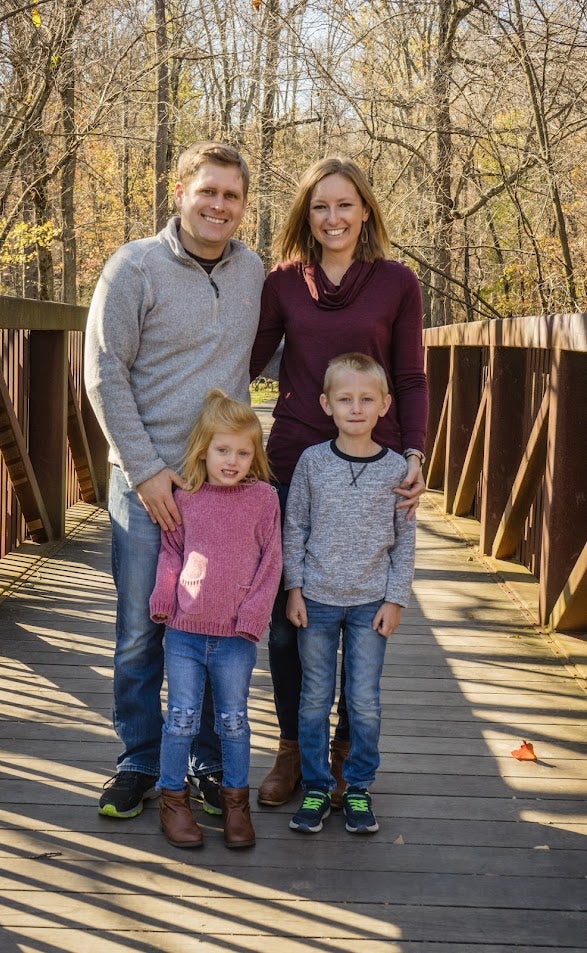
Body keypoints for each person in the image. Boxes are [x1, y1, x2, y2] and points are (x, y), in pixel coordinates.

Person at [85, 142, 265, 819]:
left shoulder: (252, 271)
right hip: (146, 484)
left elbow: (282, 344)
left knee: (216, 626)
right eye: (208, 191)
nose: (219, 205)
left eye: (231, 195)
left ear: (244, 206)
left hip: (223, 490)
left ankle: (206, 761)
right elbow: (103, 376)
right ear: (181, 191)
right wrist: (147, 471)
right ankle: (137, 757)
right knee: (141, 628)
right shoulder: (133, 268)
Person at [249, 157, 428, 809]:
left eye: (345, 205)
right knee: (284, 620)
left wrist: (413, 451)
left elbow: (409, 377)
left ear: (365, 213)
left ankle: (347, 749)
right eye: (320, 206)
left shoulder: (396, 283)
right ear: (306, 216)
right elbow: (239, 364)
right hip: (294, 460)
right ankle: (294, 749)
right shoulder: (280, 284)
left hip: (373, 469)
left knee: (360, 614)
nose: (333, 218)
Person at [283, 353, 416, 834]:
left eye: (366, 399)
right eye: (345, 399)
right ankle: (317, 786)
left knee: (363, 700)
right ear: (326, 404)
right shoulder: (312, 462)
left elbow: (405, 542)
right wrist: (293, 589)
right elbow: (293, 527)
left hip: (370, 604)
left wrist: (396, 599)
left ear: (384, 404)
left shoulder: (397, 468)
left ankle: (357, 787)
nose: (355, 408)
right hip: (316, 599)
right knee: (315, 698)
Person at [150, 390, 282, 848]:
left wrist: (252, 617)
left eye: (243, 452)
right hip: (184, 632)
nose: (232, 460)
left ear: (254, 455)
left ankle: (235, 804)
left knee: (233, 721)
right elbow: (171, 552)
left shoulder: (263, 499)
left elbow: (272, 564)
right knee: (181, 719)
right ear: (203, 450)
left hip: (235, 639)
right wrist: (163, 599)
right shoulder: (186, 497)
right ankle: (172, 799)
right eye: (223, 450)